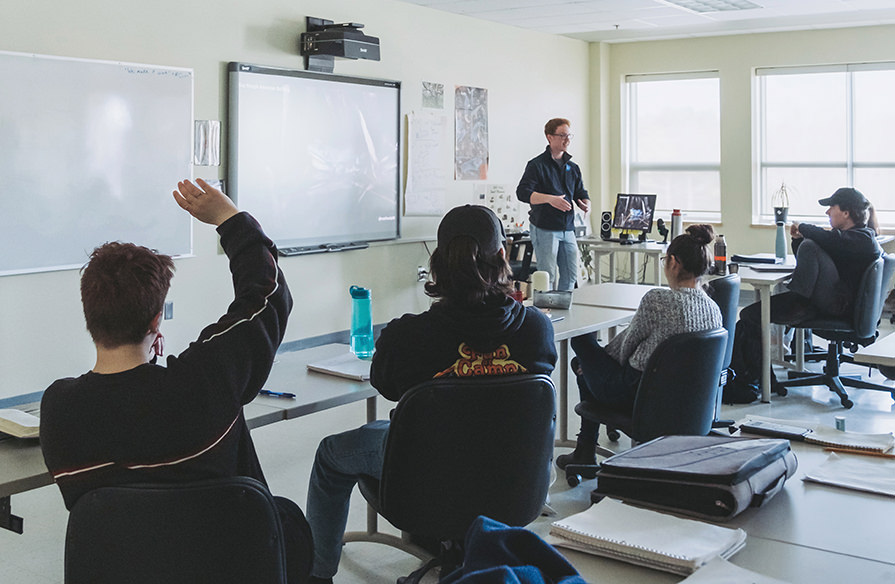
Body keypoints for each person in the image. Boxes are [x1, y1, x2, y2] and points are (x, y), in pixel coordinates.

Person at [40, 178, 313, 583]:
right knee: (285, 520)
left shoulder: (58, 408)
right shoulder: (208, 378)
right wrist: (229, 218)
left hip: (123, 572)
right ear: (156, 320)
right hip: (227, 566)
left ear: (89, 314)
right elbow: (266, 295)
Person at [305, 205, 557, 584]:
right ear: (503, 256)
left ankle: (316, 574)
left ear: (437, 264)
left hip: (425, 481)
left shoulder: (408, 337)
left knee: (331, 454)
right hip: (514, 478)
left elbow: (385, 386)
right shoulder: (537, 329)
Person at [557, 225, 722, 468]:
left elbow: (624, 348)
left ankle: (585, 449)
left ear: (674, 263)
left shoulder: (658, 300)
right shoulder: (714, 309)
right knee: (586, 364)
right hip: (685, 402)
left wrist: (596, 360)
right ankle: (585, 450)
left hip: (637, 394)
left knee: (582, 343)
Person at [726, 187, 882, 403]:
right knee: (753, 314)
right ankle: (761, 376)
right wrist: (799, 239)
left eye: (831, 208)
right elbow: (815, 255)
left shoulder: (861, 239)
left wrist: (803, 229)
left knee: (752, 315)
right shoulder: (856, 239)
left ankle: (756, 379)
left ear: (846, 213)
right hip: (837, 303)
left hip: (837, 307)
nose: (827, 212)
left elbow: (822, 242)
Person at [516, 118, 591, 291]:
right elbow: (522, 193)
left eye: (569, 135)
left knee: (571, 275)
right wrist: (550, 199)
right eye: (562, 135)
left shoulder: (573, 168)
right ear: (550, 137)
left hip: (568, 228)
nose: (567, 140)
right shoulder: (536, 165)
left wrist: (586, 204)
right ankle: (546, 314)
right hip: (545, 228)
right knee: (547, 275)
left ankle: (565, 311)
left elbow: (581, 193)